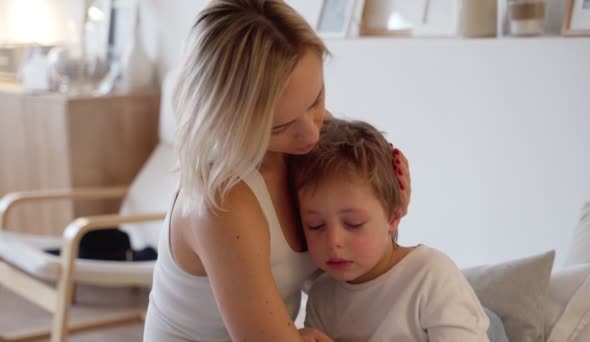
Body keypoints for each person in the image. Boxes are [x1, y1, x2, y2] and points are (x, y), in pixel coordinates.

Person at [142, 1, 410, 341]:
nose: (313, 132)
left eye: (316, 100)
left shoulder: (308, 139)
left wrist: (388, 206)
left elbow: (367, 261)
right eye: (279, 126)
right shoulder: (223, 202)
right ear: (228, 121)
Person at [289, 118, 490, 342]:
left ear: (393, 216)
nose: (333, 240)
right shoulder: (321, 296)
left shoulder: (430, 275)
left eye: (353, 223)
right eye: (315, 225)